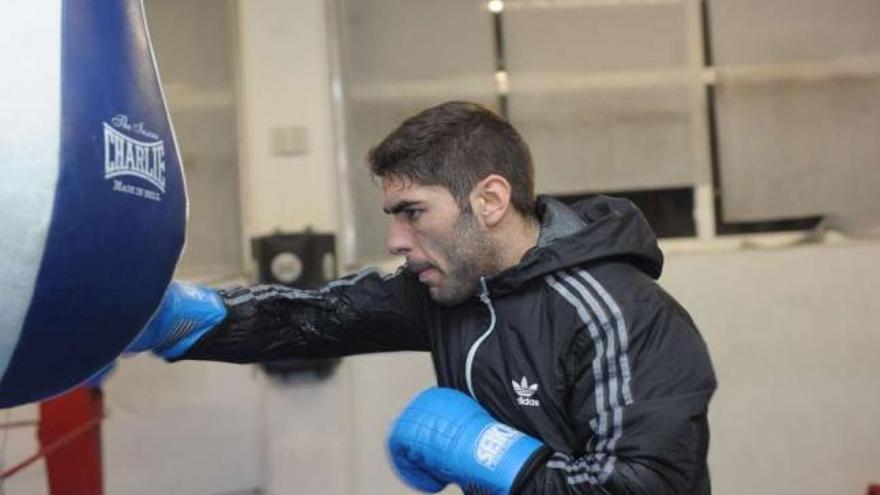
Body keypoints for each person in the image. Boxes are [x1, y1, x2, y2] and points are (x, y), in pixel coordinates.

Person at [131, 101, 716, 494]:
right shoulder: (448, 286)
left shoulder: (621, 314)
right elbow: (318, 316)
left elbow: (643, 485)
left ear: (488, 201)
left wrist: (490, 452)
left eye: (413, 213)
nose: (395, 240)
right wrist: (185, 319)